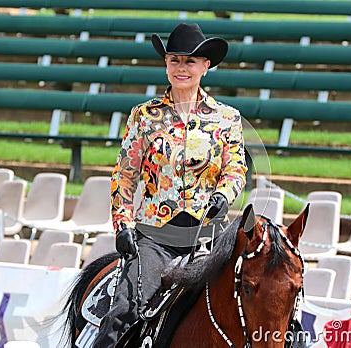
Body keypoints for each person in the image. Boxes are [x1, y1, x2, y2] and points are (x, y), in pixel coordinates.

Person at [92, 22, 247, 347]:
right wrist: (123, 223)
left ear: (206, 66)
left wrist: (224, 195)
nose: (182, 67)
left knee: (247, 304)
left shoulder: (227, 119)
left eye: (190, 61)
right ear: (165, 64)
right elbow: (123, 174)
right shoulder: (143, 116)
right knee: (125, 308)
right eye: (175, 59)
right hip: (155, 236)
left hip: (208, 239)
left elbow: (236, 168)